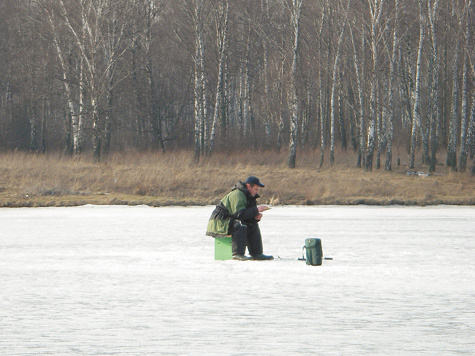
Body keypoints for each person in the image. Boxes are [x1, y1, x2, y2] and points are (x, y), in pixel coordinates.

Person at [206, 176, 274, 261]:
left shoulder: (249, 196)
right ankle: (237, 254)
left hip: (230, 220)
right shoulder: (238, 194)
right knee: (240, 224)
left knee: (252, 224)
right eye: (256, 189)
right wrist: (256, 210)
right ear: (249, 186)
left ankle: (257, 253)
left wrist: (255, 218)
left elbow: (246, 216)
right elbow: (239, 214)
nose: (257, 191)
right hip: (219, 222)